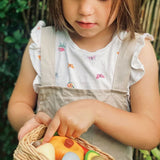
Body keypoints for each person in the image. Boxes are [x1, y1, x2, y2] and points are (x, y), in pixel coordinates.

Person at [8, 0, 160, 159]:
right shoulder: (42, 44)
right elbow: (19, 104)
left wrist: (97, 111)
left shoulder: (136, 52)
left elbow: (150, 133)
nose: (85, 10)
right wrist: (31, 122)